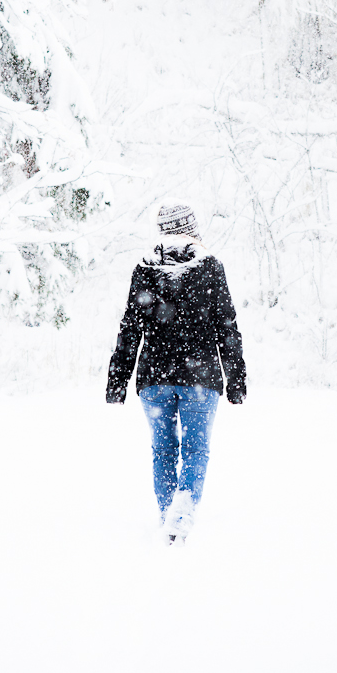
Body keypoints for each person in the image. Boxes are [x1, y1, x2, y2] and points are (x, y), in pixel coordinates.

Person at [106, 202, 246, 543]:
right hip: (200, 379)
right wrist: (236, 379)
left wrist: (118, 379)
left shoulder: (145, 269)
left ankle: (168, 511)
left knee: (163, 450)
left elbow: (130, 327)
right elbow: (227, 326)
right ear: (192, 229)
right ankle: (181, 516)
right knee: (196, 451)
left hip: (155, 377)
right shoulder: (210, 267)